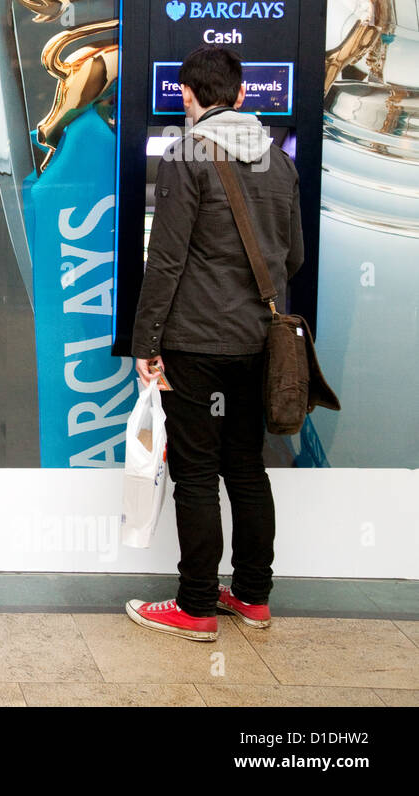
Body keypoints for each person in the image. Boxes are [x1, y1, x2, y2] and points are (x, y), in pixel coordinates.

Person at [126, 46, 303, 641]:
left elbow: (166, 261)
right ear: (244, 95)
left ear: (187, 96)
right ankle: (252, 596)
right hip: (258, 343)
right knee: (247, 469)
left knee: (197, 475)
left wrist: (145, 343)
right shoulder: (279, 162)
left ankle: (197, 605)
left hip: (197, 344)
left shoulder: (185, 155)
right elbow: (293, 257)